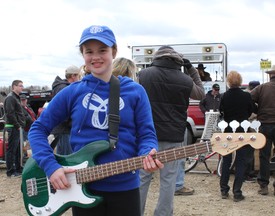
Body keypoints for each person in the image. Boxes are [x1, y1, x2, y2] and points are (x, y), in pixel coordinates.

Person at [28, 25, 163, 216]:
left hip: (125, 188)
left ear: (114, 51)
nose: (95, 57)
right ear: (82, 54)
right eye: (89, 51)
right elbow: (37, 129)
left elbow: (147, 133)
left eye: (102, 50)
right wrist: (51, 167)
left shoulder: (135, 91)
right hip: (82, 189)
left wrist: (147, 152)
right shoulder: (72, 92)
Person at [138, 46, 202, 215]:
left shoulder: (144, 75)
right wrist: (191, 70)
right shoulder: (185, 80)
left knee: (143, 177)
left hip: (147, 136)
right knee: (169, 179)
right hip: (174, 136)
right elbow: (201, 94)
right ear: (178, 61)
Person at [250, 65, 275, 196]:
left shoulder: (261, 88)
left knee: (264, 156)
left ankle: (263, 186)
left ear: (270, 75)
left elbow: (249, 100)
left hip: (264, 125)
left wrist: (258, 111)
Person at [219, 71, 256, 202]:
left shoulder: (224, 96)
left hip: (227, 132)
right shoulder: (246, 96)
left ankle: (224, 190)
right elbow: (251, 110)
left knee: (226, 161)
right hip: (242, 131)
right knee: (241, 161)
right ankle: (237, 192)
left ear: (228, 82)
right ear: (240, 81)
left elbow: (221, 111)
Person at [175, 58, 205, 196]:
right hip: (176, 124)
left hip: (154, 123)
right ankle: (177, 185)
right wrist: (191, 69)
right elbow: (200, 93)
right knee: (179, 156)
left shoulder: (147, 75)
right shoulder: (182, 79)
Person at [51, 65, 81, 155]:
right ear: (73, 76)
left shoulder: (62, 87)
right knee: (67, 159)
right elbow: (63, 112)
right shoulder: (64, 89)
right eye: (79, 76)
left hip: (64, 129)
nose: (80, 79)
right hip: (64, 129)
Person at [3, 80, 26, 177]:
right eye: (20, 86)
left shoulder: (16, 98)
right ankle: (10, 171)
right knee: (12, 150)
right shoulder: (10, 98)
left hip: (17, 127)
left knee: (18, 150)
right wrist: (17, 125)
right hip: (13, 127)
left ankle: (18, 168)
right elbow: (10, 114)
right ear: (14, 87)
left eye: (22, 85)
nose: (22, 87)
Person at [244, 80, 260, 182]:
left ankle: (248, 172)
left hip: (245, 125)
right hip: (249, 125)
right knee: (249, 150)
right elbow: (252, 112)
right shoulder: (249, 96)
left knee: (246, 150)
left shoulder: (245, 94)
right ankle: (248, 173)